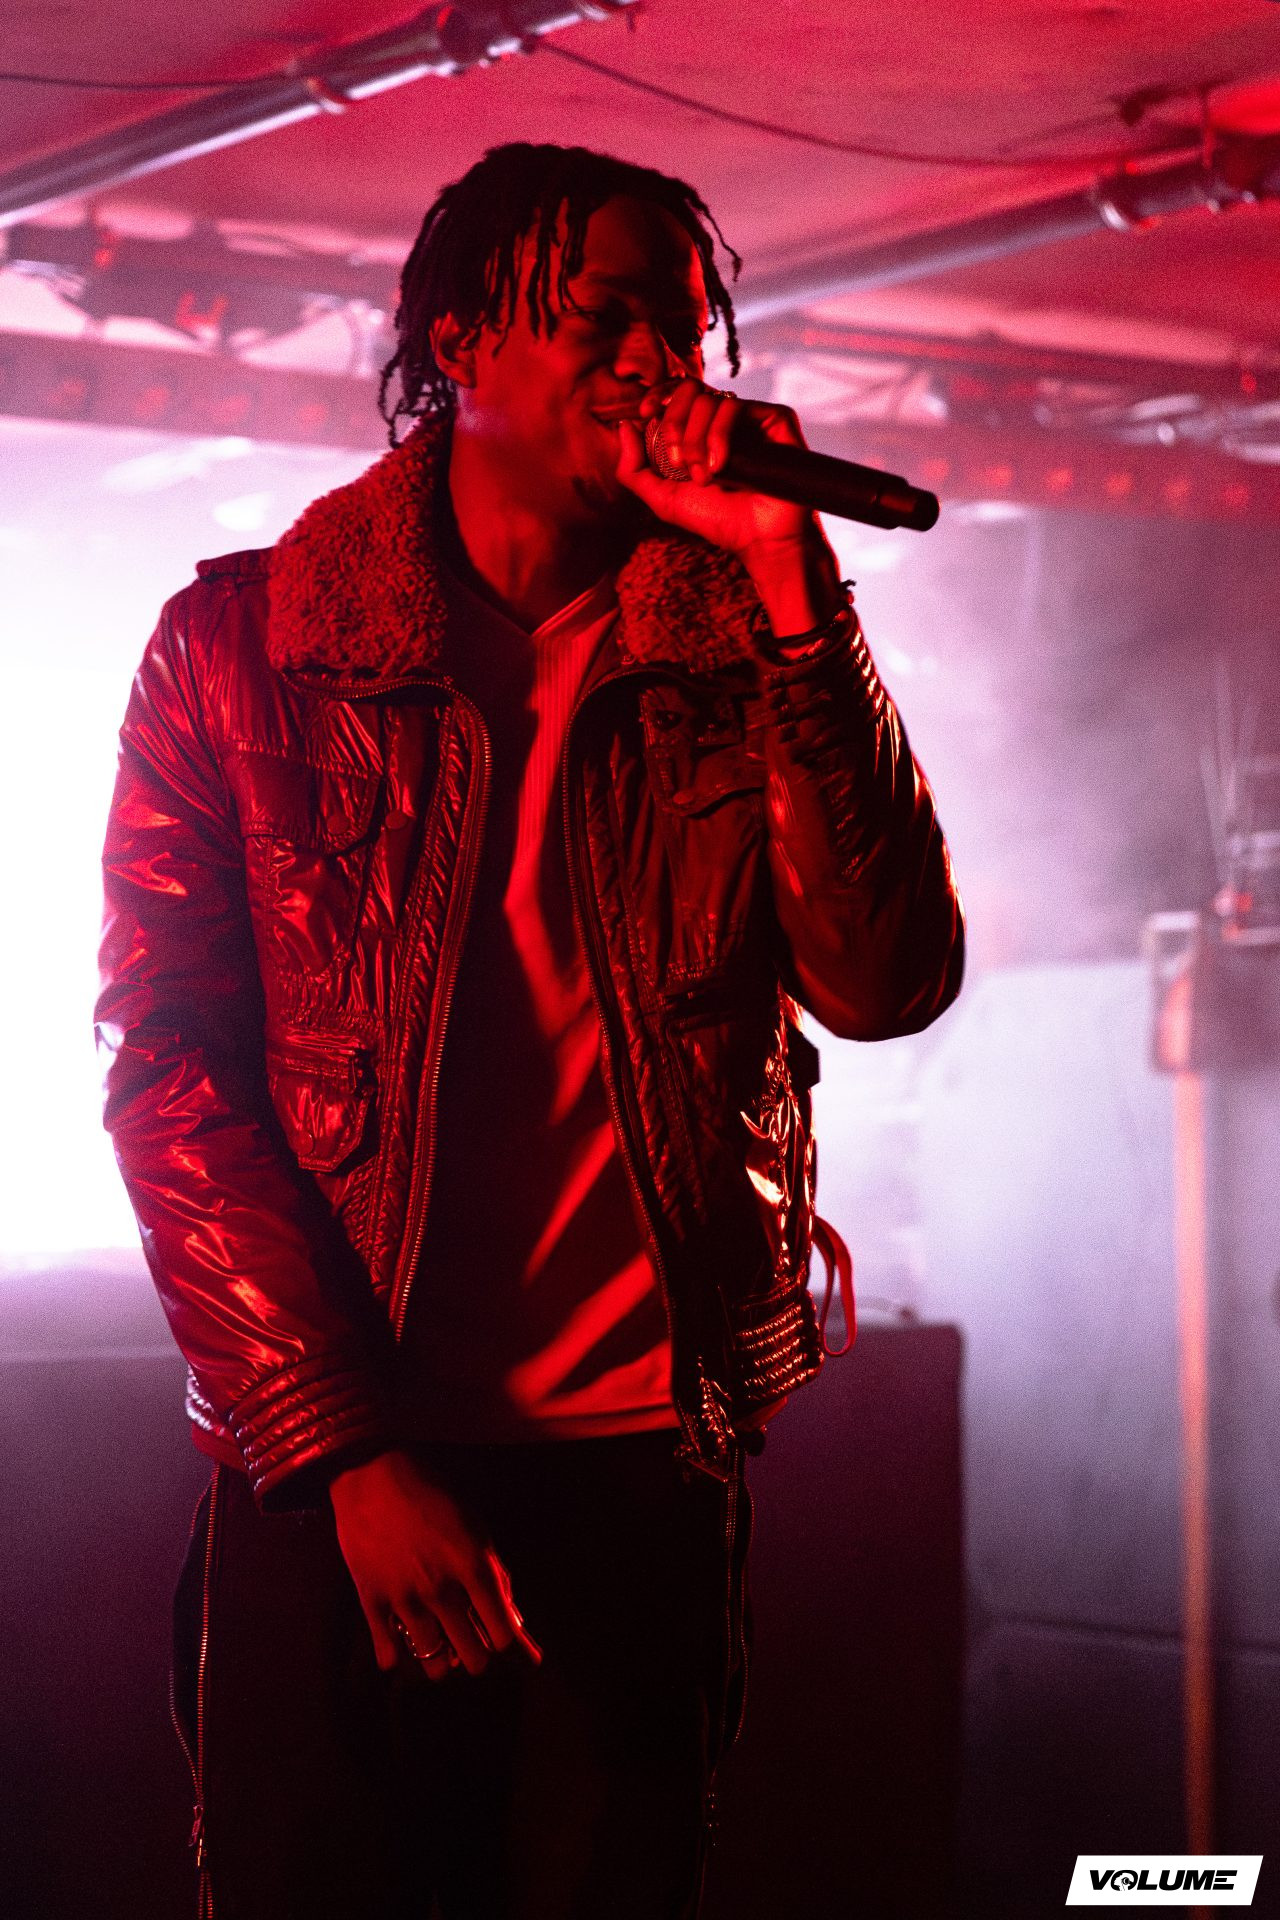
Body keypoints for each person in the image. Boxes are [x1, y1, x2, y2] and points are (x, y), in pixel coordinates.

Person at [96, 142, 964, 1919]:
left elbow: (888, 983)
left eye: (685, 330)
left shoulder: (738, 651)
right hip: (343, 1466)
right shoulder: (244, 651)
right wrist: (342, 1451)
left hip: (642, 1471)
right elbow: (169, 1072)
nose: (658, 365)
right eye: (606, 317)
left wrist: (794, 587)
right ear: (460, 341)